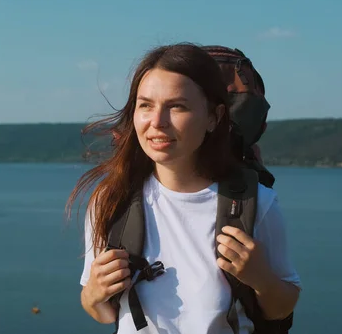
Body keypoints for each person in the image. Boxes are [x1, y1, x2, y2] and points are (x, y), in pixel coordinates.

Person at [66, 43, 301, 334]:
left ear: (213, 117)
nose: (157, 122)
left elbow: (282, 307)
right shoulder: (111, 199)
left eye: (177, 106)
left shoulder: (255, 204)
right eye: (146, 105)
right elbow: (102, 313)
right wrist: (93, 293)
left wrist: (261, 278)